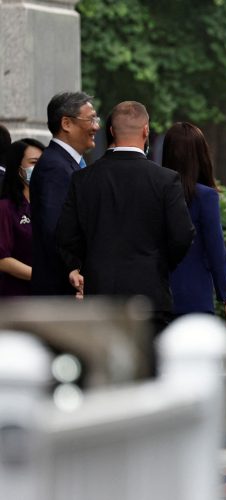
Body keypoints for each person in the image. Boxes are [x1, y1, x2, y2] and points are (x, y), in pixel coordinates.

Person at [56, 101, 194, 335]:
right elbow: (182, 235)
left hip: (100, 296)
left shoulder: (83, 179)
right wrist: (158, 263)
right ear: (146, 130)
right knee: (149, 368)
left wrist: (82, 264)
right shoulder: (165, 179)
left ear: (111, 131)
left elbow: (66, 234)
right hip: (150, 295)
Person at [162, 122, 226, 328]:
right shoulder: (205, 196)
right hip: (195, 298)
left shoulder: (155, 193)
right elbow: (216, 249)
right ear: (200, 154)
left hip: (159, 298)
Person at [30, 92, 100, 295]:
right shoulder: (55, 167)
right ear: (66, 123)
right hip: (61, 288)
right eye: (90, 119)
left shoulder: (66, 163)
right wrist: (73, 269)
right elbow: (56, 227)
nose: (96, 126)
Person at [0, 139, 45, 296]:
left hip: (49, 297)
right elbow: (2, 259)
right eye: (34, 162)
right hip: (17, 298)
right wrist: (42, 277)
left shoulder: (49, 206)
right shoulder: (5, 208)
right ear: (18, 168)